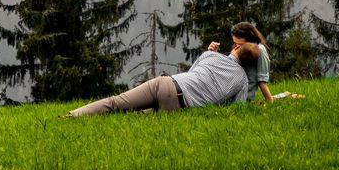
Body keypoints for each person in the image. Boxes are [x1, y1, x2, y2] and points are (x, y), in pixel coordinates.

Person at [63, 42, 260, 116]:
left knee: (117, 102)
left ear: (235, 48)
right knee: (137, 116)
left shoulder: (211, 55)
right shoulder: (242, 80)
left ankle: (72, 116)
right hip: (182, 107)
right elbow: (237, 108)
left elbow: (191, 73)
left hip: (169, 85)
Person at [210, 22, 273, 104]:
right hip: (226, 94)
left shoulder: (260, 49)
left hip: (242, 98)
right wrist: (212, 53)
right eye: (235, 43)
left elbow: (262, 80)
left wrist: (270, 101)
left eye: (240, 44)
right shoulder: (237, 50)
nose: (237, 47)